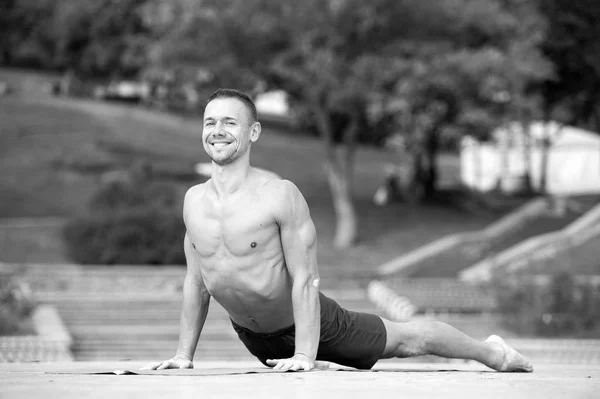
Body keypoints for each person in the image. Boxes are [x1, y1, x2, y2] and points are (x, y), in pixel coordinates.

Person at [142, 88, 533, 373]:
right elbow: (197, 283)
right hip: (255, 338)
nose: (218, 130)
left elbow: (306, 279)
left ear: (254, 132)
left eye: (230, 122)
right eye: (210, 122)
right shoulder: (193, 200)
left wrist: (305, 355)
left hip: (312, 326)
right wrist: (183, 355)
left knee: (409, 341)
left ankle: (492, 352)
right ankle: (324, 362)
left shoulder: (279, 195)